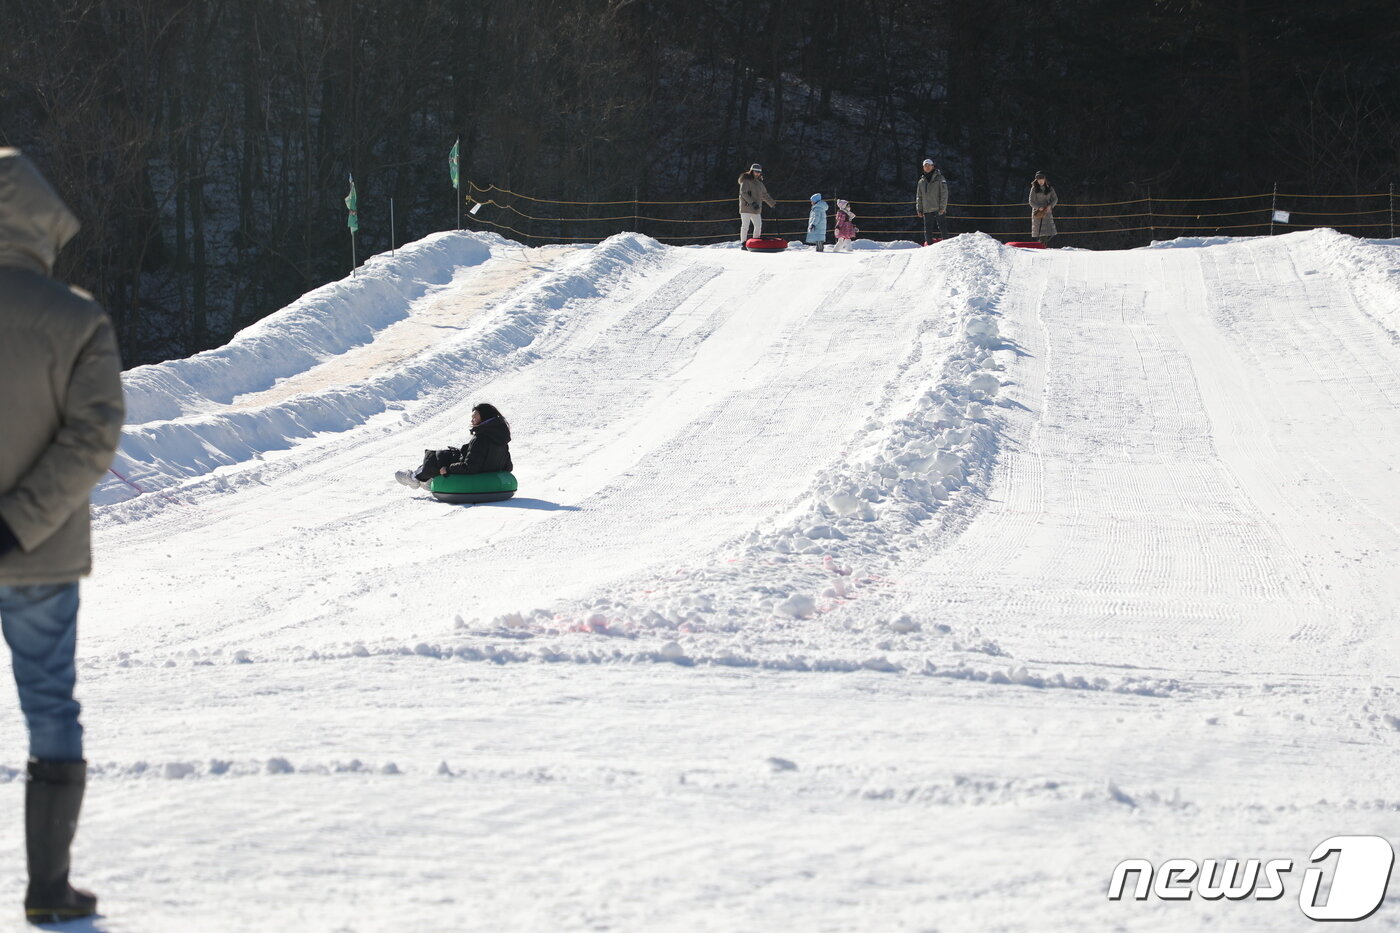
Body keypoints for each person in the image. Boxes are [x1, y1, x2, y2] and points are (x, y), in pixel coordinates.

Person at [0, 149, 124, 924]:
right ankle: (49, 890)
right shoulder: (77, 319)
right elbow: (93, 436)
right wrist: (15, 522)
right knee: (49, 704)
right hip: (37, 553)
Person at [395, 403, 513, 489]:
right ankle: (429, 479)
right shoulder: (501, 438)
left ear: (485, 417)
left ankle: (414, 478)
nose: (472, 420)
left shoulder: (480, 439)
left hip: (473, 477)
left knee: (439, 457)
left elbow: (470, 467)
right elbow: (508, 466)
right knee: (455, 454)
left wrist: (448, 469)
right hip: (487, 476)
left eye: (475, 417)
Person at [737, 163, 775, 248]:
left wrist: (772, 204)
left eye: (759, 172)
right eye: (756, 171)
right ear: (752, 171)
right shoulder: (746, 181)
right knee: (745, 226)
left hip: (756, 208)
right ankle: (743, 243)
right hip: (746, 207)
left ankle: (755, 242)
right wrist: (752, 203)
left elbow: (764, 195)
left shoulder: (760, 183)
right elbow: (743, 193)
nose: (757, 173)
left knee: (758, 225)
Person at [915, 158, 950, 244]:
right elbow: (919, 196)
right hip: (926, 208)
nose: (927, 167)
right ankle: (929, 245)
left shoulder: (940, 178)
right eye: (925, 166)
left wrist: (943, 207)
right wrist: (919, 209)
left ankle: (947, 244)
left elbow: (944, 193)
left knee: (942, 226)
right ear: (923, 168)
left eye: (928, 165)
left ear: (933, 166)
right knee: (928, 229)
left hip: (938, 207)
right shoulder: (921, 181)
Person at [1030, 171, 1058, 245]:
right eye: (1039, 180)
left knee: (1048, 232)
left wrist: (1050, 205)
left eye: (1042, 179)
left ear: (1045, 179)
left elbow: (1055, 199)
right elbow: (1031, 201)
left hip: (1047, 211)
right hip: (1038, 212)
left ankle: (1043, 245)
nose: (1040, 181)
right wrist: (1038, 207)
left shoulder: (1049, 188)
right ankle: (1041, 246)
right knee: (1040, 232)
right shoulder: (1034, 188)